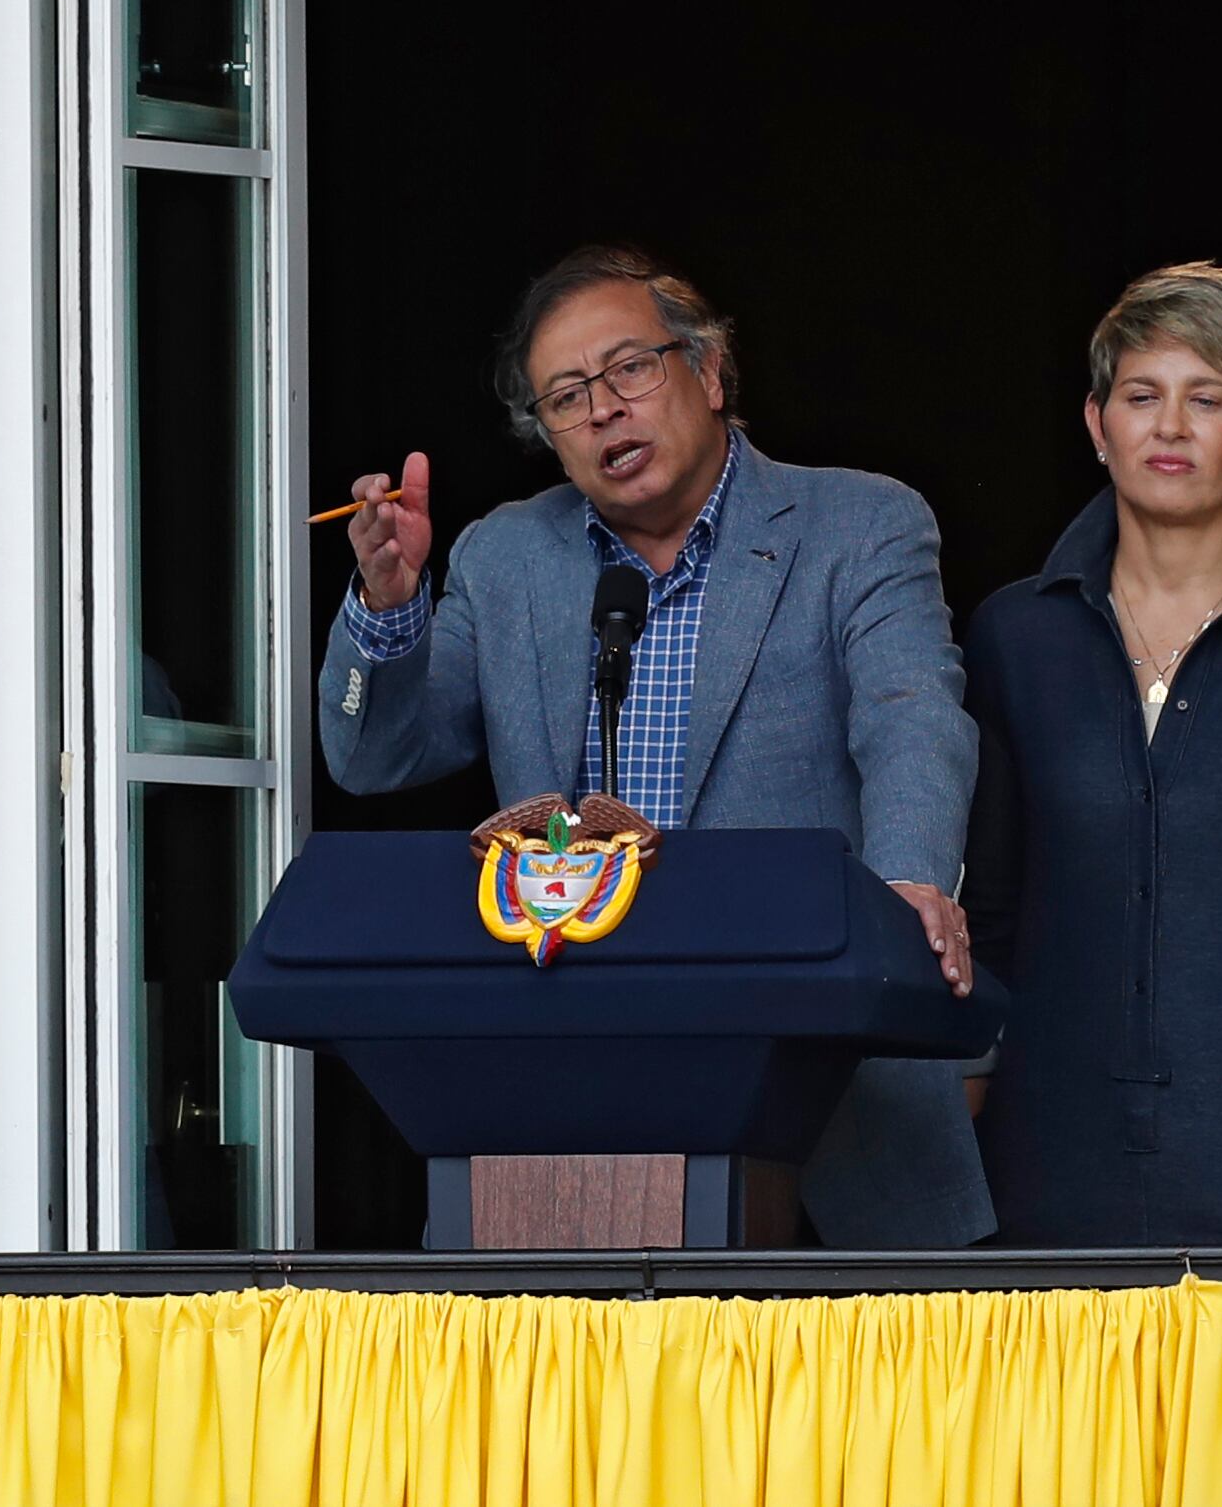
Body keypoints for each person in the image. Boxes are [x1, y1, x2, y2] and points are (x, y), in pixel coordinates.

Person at [317, 245, 992, 1248]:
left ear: (710, 373)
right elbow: (376, 758)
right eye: (565, 396)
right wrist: (387, 610)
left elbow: (912, 720)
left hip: (835, 1096)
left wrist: (905, 890)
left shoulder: (858, 524)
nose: (603, 410)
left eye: (630, 369)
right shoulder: (504, 558)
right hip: (578, 1117)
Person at [963, 262, 1222, 1246]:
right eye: (1141, 397)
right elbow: (991, 916)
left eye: (1207, 398)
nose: (1169, 427)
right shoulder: (1016, 637)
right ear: (1096, 426)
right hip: (1051, 1182)